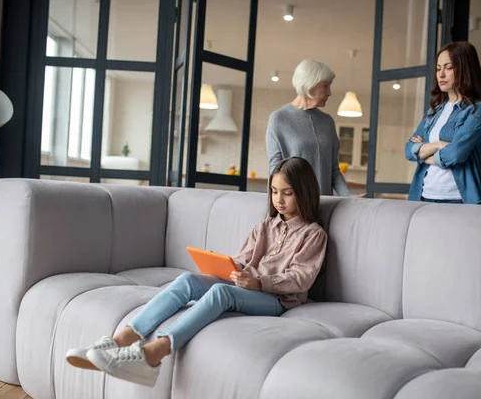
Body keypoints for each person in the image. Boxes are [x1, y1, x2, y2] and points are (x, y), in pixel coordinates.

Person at [65, 157, 328, 387]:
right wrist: (228, 266)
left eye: (287, 193)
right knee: (188, 280)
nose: (278, 199)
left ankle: (153, 354)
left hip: (278, 300)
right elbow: (244, 260)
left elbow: (300, 278)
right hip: (248, 286)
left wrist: (259, 282)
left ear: (303, 193)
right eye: (273, 191)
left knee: (220, 292)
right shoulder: (265, 226)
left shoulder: (313, 234)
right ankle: (120, 341)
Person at [405, 41, 481, 204]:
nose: (441, 75)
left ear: (464, 70)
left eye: (448, 68)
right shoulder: (434, 111)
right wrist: (440, 145)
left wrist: (423, 154)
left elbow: (455, 154)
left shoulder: (477, 110)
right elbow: (409, 150)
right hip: (423, 196)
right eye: (438, 68)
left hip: (456, 199)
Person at [266, 59, 366, 197]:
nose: (329, 92)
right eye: (325, 86)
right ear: (309, 84)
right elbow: (275, 170)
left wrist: (348, 197)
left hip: (324, 205)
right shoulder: (279, 118)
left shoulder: (327, 121)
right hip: (295, 207)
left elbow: (333, 169)